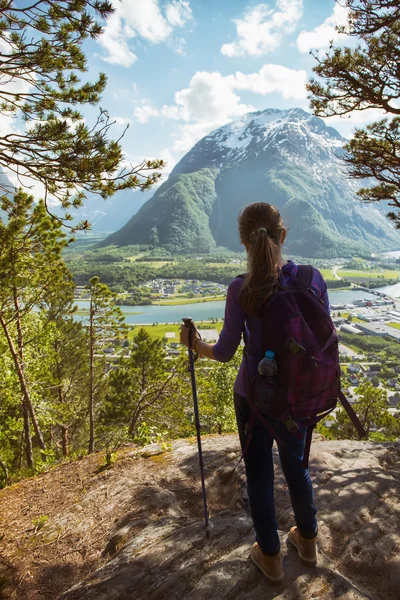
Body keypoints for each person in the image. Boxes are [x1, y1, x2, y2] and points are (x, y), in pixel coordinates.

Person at [180, 202, 329, 583]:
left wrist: (195, 344)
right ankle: (308, 542)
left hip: (256, 399)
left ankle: (270, 556)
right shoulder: (313, 278)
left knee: (260, 474)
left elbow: (226, 352)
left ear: (245, 244)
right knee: (297, 465)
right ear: (283, 236)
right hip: (299, 397)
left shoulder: (241, 288)